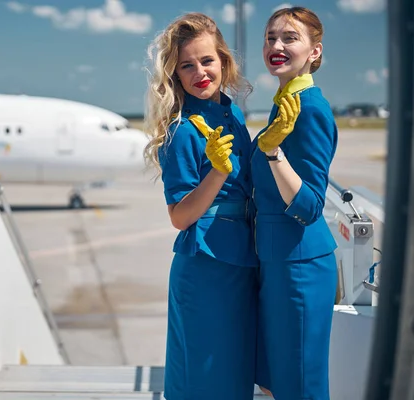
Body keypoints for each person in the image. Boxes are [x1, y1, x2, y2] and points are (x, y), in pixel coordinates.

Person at [143, 12, 258, 400]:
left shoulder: (233, 113)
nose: (200, 73)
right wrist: (217, 173)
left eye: (207, 61)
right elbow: (179, 217)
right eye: (186, 66)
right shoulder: (181, 130)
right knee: (204, 377)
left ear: (223, 61)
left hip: (241, 258)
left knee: (234, 373)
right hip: (206, 266)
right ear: (175, 75)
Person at [251, 6, 339, 400]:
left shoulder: (310, 109)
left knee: (300, 384)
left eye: (290, 38)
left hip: (299, 266)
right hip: (279, 261)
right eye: (271, 37)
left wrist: (272, 152)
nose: (276, 45)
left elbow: (309, 206)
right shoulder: (284, 101)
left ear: (314, 52)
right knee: (281, 380)